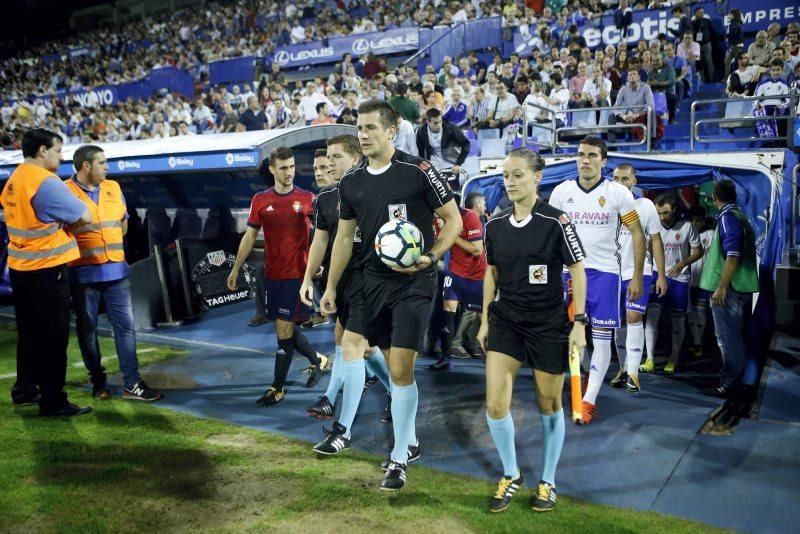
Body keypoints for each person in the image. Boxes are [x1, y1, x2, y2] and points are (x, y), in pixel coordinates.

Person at [320, 100, 462, 491]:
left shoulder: (418, 170)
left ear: (391, 129)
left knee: (400, 370)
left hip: (413, 284)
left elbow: (453, 220)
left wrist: (432, 257)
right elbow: (344, 239)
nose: (363, 135)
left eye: (369, 128)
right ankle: (349, 430)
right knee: (352, 346)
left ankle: (399, 457)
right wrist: (331, 287)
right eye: (359, 129)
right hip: (369, 282)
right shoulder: (351, 183)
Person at [478, 147, 587, 513]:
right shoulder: (493, 226)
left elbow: (578, 271)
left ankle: (548, 481)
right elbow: (490, 275)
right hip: (506, 318)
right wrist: (483, 319)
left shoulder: (557, 222)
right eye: (506, 176)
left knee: (549, 403)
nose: (510, 181)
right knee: (495, 404)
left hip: (548, 323)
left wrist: (579, 324)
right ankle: (511, 474)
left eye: (518, 174)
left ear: (537, 177)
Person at [303, 135, 394, 450]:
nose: (329, 164)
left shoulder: (377, 190)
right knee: (358, 347)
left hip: (371, 281)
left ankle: (342, 429)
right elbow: (322, 241)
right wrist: (310, 279)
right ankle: (396, 392)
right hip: (341, 282)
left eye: (335, 157)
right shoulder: (326, 198)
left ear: (356, 159)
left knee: (353, 349)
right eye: (327, 158)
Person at [548, 136, 645, 424]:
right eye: (580, 155)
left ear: (603, 161)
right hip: (567, 273)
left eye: (591, 155)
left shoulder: (617, 193)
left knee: (602, 337)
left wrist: (636, 275)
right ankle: (584, 380)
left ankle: (588, 400)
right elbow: (550, 233)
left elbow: (638, 234)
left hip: (604, 274)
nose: (585, 160)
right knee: (568, 334)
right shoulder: (562, 192)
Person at [227, 146, 328, 407]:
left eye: (292, 167)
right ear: (272, 169)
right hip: (273, 276)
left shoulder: (308, 198)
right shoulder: (260, 200)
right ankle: (318, 360)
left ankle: (277, 387)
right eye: (283, 168)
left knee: (283, 328)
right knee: (284, 327)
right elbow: (249, 236)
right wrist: (236, 268)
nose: (289, 172)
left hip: (298, 276)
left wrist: (318, 264)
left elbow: (324, 234)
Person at [0, 128, 92, 416]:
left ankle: (25, 389)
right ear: (42, 151)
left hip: (20, 268)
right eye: (58, 151)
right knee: (53, 337)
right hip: (47, 271)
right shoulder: (46, 182)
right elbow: (85, 215)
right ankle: (53, 401)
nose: (61, 157)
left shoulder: (16, 178)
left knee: (30, 334)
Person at [66, 145, 162, 402]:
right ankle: (98, 382)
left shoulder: (113, 187)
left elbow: (123, 224)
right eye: (102, 163)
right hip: (83, 273)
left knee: (125, 328)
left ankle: (132, 383)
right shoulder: (64, 191)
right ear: (86, 166)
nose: (107, 168)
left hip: (116, 271)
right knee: (87, 331)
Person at [609, 164, 667, 393]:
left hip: (638, 271)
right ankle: (623, 369)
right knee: (617, 321)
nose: (620, 183)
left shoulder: (645, 206)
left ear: (634, 181)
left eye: (625, 179)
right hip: (612, 272)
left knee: (634, 317)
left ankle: (633, 372)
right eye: (616, 178)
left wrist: (661, 275)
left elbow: (656, 241)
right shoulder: (606, 206)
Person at [699, 179, 759, 396]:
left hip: (729, 290)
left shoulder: (727, 219)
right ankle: (739, 380)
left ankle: (731, 384)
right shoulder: (741, 218)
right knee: (734, 336)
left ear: (715, 198)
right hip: (741, 287)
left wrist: (722, 287)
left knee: (727, 338)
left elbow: (733, 256)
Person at [641, 193, 703, 374]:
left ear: (674, 209)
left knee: (678, 321)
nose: (662, 217)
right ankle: (650, 359)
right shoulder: (651, 227)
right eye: (658, 213)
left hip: (679, 279)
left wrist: (682, 263)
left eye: (666, 213)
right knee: (651, 318)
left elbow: (698, 252)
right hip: (655, 275)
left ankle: (673, 358)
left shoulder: (687, 227)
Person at [429, 192, 487, 372]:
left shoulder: (470, 218)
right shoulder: (438, 220)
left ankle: (494, 358)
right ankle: (446, 358)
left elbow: (477, 250)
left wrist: (452, 233)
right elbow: (441, 244)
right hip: (454, 271)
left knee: (483, 317)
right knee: (448, 310)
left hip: (476, 275)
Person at [688, 207, 715, 357]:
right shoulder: (686, 234)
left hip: (703, 282)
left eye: (698, 220)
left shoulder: (710, 235)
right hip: (688, 281)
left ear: (703, 221)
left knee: (700, 312)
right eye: (692, 220)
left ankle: (699, 343)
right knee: (690, 314)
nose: (695, 223)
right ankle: (693, 341)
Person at [415, 108, 471, 174]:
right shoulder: (421, 132)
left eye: (440, 121)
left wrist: (458, 163)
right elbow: (420, 151)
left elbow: (466, 144)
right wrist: (423, 166)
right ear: (428, 122)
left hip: (452, 165)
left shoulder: (451, 128)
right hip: (433, 166)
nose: (439, 125)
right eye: (435, 123)